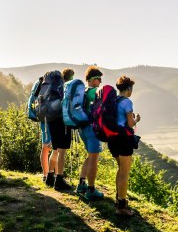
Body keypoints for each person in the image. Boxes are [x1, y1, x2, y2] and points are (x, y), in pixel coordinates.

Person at [108, 75, 140, 216]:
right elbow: (130, 123)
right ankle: (122, 206)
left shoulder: (112, 100)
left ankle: (118, 199)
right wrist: (136, 119)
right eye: (131, 88)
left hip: (112, 138)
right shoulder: (127, 102)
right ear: (128, 89)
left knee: (121, 170)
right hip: (123, 138)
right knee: (124, 172)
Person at [75, 66, 105, 200]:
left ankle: (81, 184)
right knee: (94, 158)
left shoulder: (83, 92)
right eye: (99, 79)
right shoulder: (93, 92)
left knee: (90, 156)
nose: (100, 82)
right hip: (92, 128)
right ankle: (91, 190)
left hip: (82, 127)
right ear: (93, 80)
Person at [47, 68, 75, 191]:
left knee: (55, 149)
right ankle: (59, 180)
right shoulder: (65, 88)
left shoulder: (53, 88)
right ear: (70, 77)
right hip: (62, 121)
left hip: (51, 118)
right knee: (62, 151)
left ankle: (49, 177)